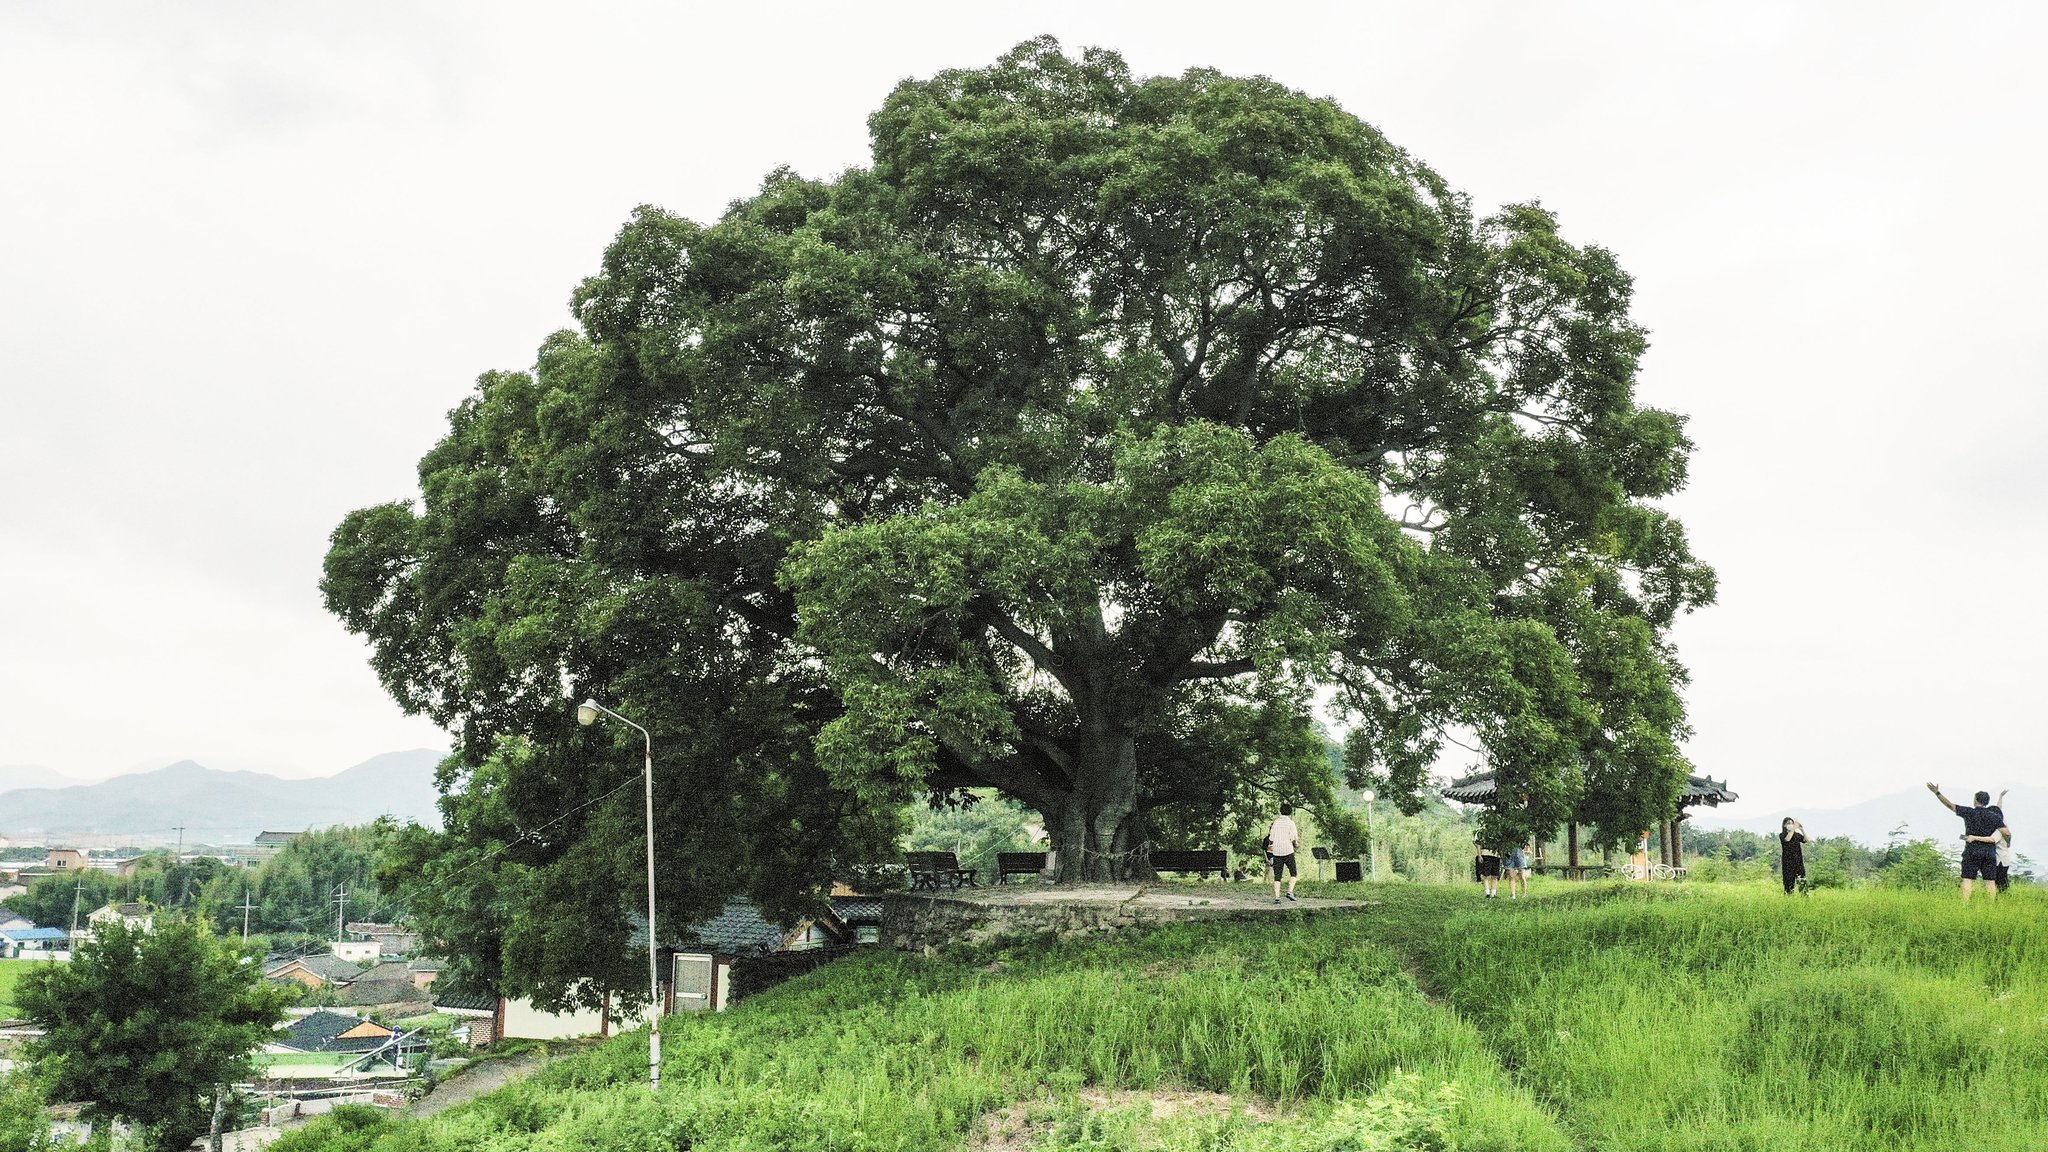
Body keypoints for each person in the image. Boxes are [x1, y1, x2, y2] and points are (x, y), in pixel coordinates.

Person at [1927, 782, 2008, 902]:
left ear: (1975, 801)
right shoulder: (1995, 816)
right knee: (1990, 882)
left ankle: (1965, 905)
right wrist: (2008, 843)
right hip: (1989, 852)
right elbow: (2006, 832)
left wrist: (1937, 793)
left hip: (1972, 851)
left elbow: (1950, 805)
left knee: (1968, 879)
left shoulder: (1969, 812)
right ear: (1987, 802)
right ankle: (1992, 907)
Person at [1267, 804, 1301, 903]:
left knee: (1277, 876)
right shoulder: (1291, 823)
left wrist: (1270, 853)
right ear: (1290, 812)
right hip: (1288, 851)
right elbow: (1294, 838)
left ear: (1281, 811)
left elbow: (1271, 839)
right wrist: (1296, 844)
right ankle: (1290, 891)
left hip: (1277, 852)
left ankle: (1277, 898)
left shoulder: (1275, 823)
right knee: (1293, 872)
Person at [1779, 818, 1808, 895]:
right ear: (1784, 825)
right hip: (1788, 863)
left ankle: (1805, 899)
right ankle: (1789, 900)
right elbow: (1788, 839)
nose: (1791, 825)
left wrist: (1802, 829)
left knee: (1802, 881)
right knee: (1789, 883)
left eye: (1792, 823)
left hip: (1798, 862)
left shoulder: (1797, 835)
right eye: (1788, 823)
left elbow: (1806, 840)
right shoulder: (1782, 835)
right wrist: (1794, 828)